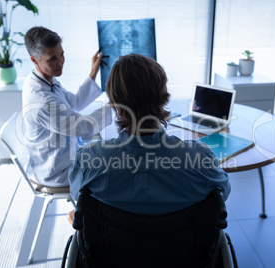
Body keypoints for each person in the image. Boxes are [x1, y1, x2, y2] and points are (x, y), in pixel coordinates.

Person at [68, 54, 230, 215]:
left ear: (114, 104)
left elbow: (77, 194)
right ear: (164, 99)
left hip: (112, 240)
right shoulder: (199, 159)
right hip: (180, 240)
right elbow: (223, 192)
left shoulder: (88, 161)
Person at [22, 26, 112, 187]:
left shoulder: (46, 79)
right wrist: (116, 105)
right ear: (34, 60)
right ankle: (85, 211)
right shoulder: (41, 99)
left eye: (62, 55)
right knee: (114, 168)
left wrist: (93, 73)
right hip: (55, 171)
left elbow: (73, 102)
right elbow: (83, 128)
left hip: (61, 155)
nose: (61, 62)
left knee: (109, 153)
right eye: (52, 59)